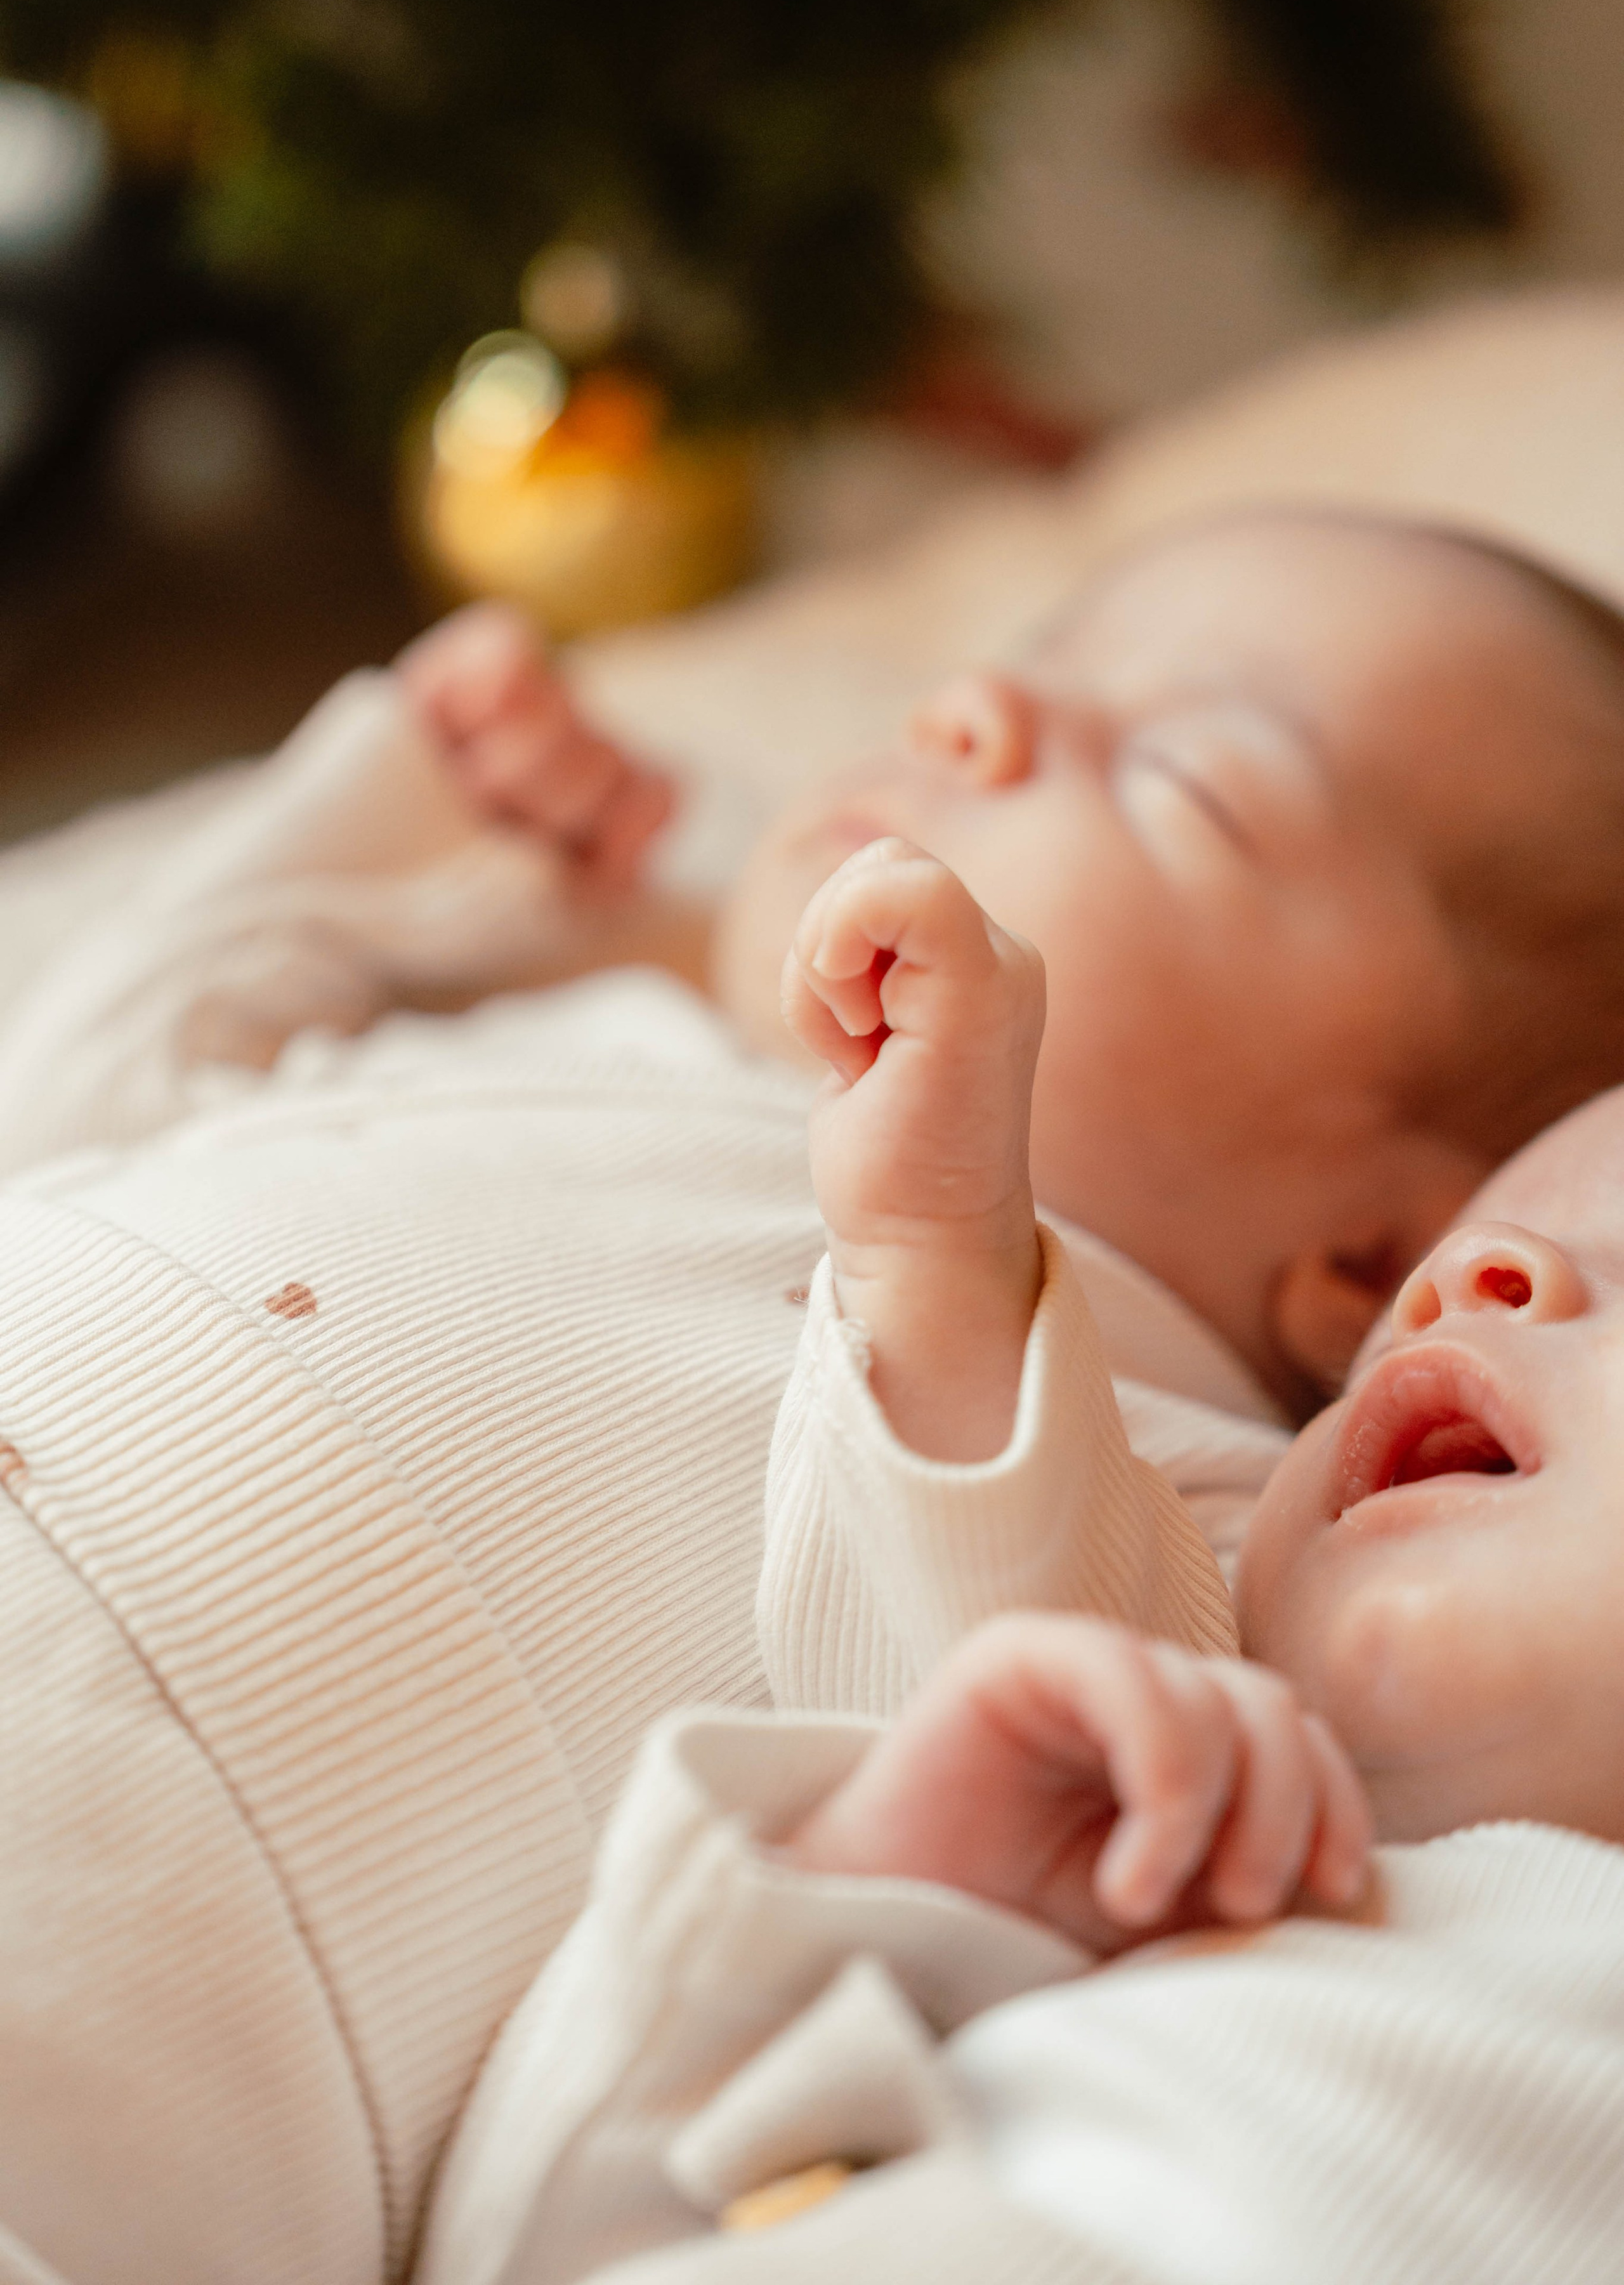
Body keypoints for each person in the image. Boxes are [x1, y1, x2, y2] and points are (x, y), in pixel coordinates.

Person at [1, 507, 1624, 2279]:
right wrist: (414, 840)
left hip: (116, 2020)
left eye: (1184, 782)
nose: (975, 710)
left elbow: (982, 1747)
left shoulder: (1176, 1508)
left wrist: (942, 1265)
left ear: (1365, 1266)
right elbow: (76, 1104)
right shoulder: (601, 1032)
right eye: (1034, 660)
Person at [416, 1084, 1624, 2285]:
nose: (1471, 1271)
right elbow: (518, 2251)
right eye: (1435, 1272)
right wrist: (863, 1891)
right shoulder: (1162, 1893)